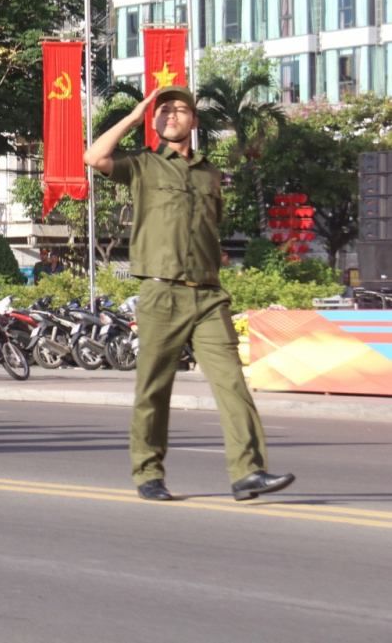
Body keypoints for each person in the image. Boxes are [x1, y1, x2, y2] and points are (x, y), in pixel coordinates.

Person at [84, 85, 294, 502]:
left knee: (233, 383)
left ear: (193, 121)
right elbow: (94, 157)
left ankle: (248, 472)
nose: (172, 115)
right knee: (154, 388)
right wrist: (134, 114)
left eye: (181, 110)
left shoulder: (210, 173)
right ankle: (148, 472)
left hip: (209, 295)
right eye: (163, 111)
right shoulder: (142, 164)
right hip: (161, 294)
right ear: (155, 121)